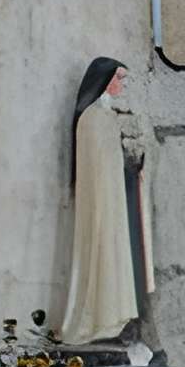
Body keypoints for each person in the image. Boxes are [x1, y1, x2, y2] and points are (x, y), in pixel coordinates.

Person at [59, 57, 151, 348]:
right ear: (104, 79)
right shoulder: (92, 119)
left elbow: (112, 162)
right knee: (101, 254)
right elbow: (94, 168)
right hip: (100, 203)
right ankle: (96, 320)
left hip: (113, 201)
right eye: (119, 77)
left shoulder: (106, 118)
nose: (122, 84)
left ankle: (113, 319)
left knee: (115, 255)